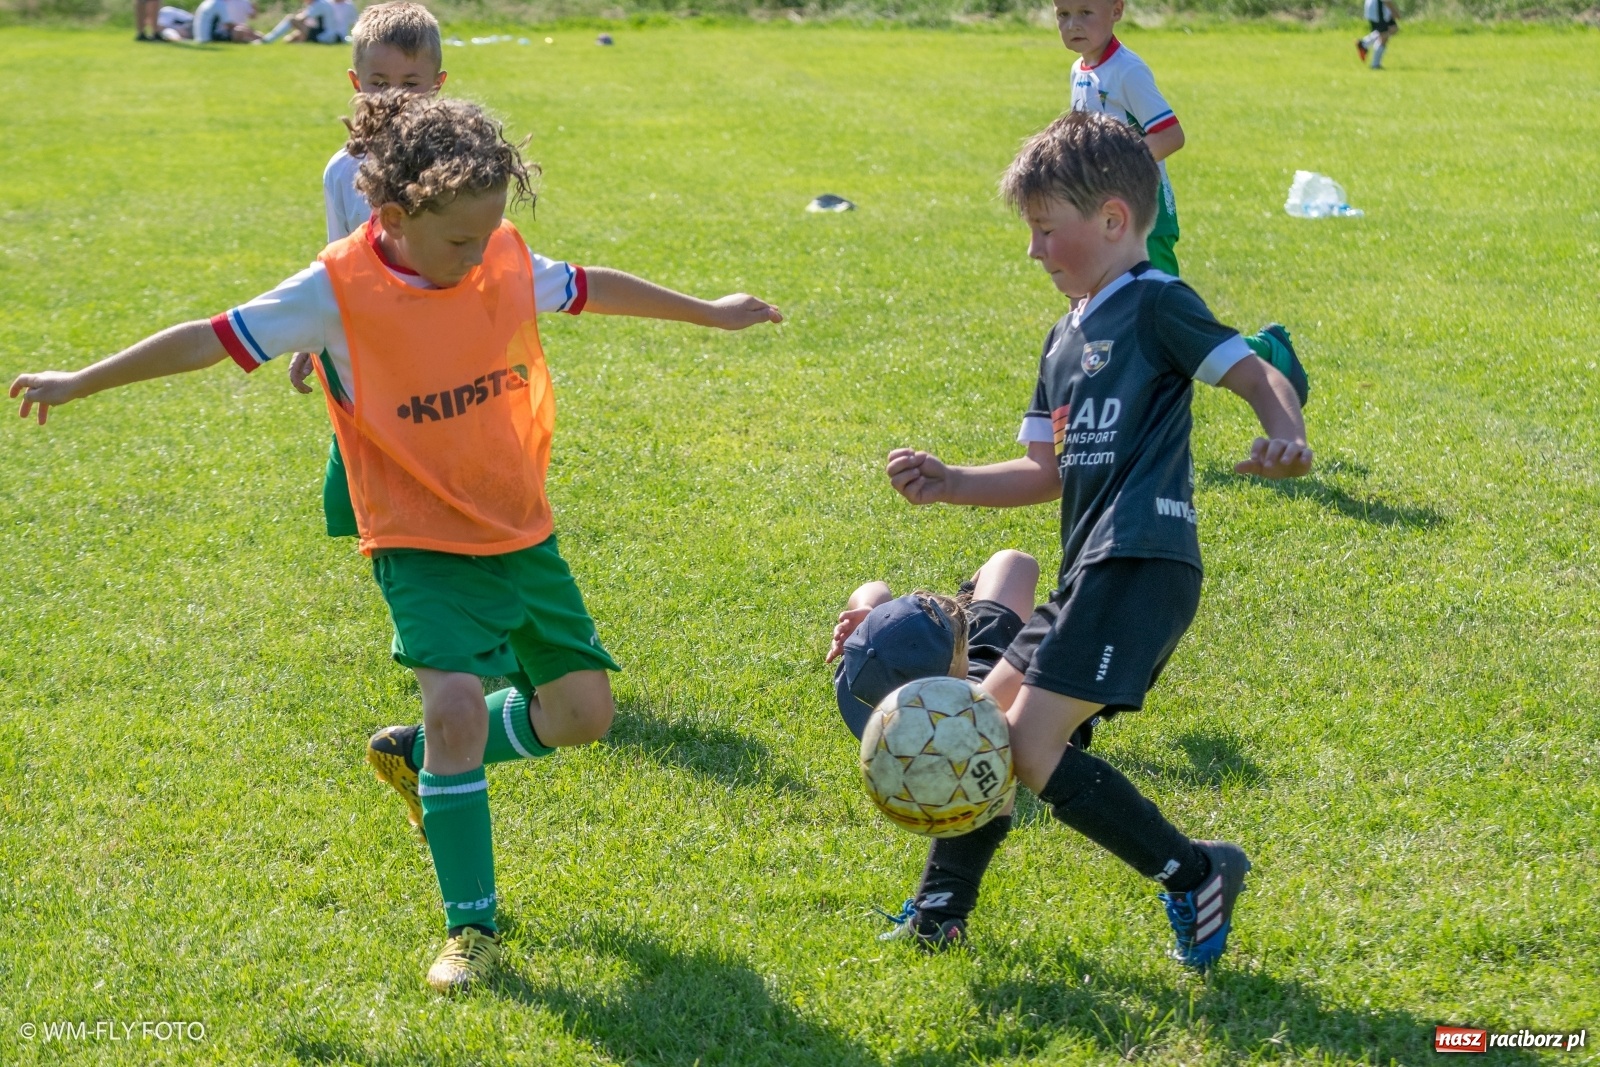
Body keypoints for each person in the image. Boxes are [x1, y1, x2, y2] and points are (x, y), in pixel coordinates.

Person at [9, 90, 782, 994]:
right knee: (456, 704)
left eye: (489, 233)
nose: (477, 253)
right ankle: (473, 930)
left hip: (517, 526)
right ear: (392, 217)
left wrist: (711, 311)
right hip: (414, 535)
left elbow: (590, 284)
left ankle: (418, 758)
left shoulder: (495, 253)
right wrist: (81, 380)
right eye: (458, 239)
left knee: (584, 717)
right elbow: (208, 339)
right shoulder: (332, 292)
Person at [881, 111, 1313, 969]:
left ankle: (1195, 872)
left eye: (1047, 231)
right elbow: (1044, 470)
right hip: (1089, 572)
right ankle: (939, 911)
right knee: (978, 722)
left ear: (1113, 220)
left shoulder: (1157, 303)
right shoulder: (1064, 337)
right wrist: (953, 480)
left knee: (1032, 749)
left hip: (1143, 560)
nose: (1035, 251)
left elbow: (1255, 370)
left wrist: (1285, 432)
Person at [826, 551, 1099, 948]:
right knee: (1010, 563)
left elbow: (876, 589)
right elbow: (1018, 564)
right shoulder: (998, 702)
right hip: (996, 667)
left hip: (957, 667)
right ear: (957, 660)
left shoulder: (861, 676)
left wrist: (867, 608)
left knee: (1008, 567)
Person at [1054, 0, 1310, 406]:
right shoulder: (1079, 70)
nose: (1073, 24)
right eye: (1063, 14)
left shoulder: (1127, 71)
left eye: (1086, 12)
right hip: (1108, 214)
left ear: (1117, 10)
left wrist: (1116, 169)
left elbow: (1171, 134)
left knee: (1167, 322)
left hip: (1145, 212)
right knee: (1110, 311)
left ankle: (1265, 352)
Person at [258, 0, 342, 44]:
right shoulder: (320, 3)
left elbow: (300, 19)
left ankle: (268, 39)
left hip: (323, 35)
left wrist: (299, 15)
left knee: (290, 18)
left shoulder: (319, 4)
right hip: (318, 33)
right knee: (288, 41)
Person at [1358, 0, 1398, 69]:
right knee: (1384, 35)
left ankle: (1364, 43)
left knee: (1393, 29)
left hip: (1376, 7)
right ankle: (1375, 65)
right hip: (1378, 9)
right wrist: (1395, 12)